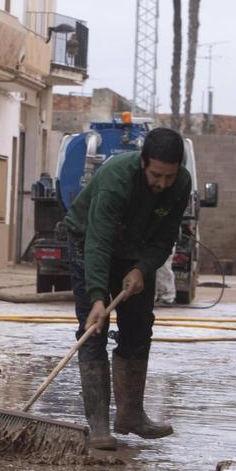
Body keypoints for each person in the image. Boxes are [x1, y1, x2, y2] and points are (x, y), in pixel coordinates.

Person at [65, 127, 192, 450]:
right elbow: (98, 242)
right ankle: (98, 424)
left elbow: (165, 238)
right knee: (94, 327)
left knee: (139, 327)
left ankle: (130, 415)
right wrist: (97, 297)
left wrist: (141, 268)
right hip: (89, 242)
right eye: (156, 175)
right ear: (143, 162)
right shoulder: (116, 179)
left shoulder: (180, 184)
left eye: (169, 175)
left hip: (135, 251)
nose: (162, 183)